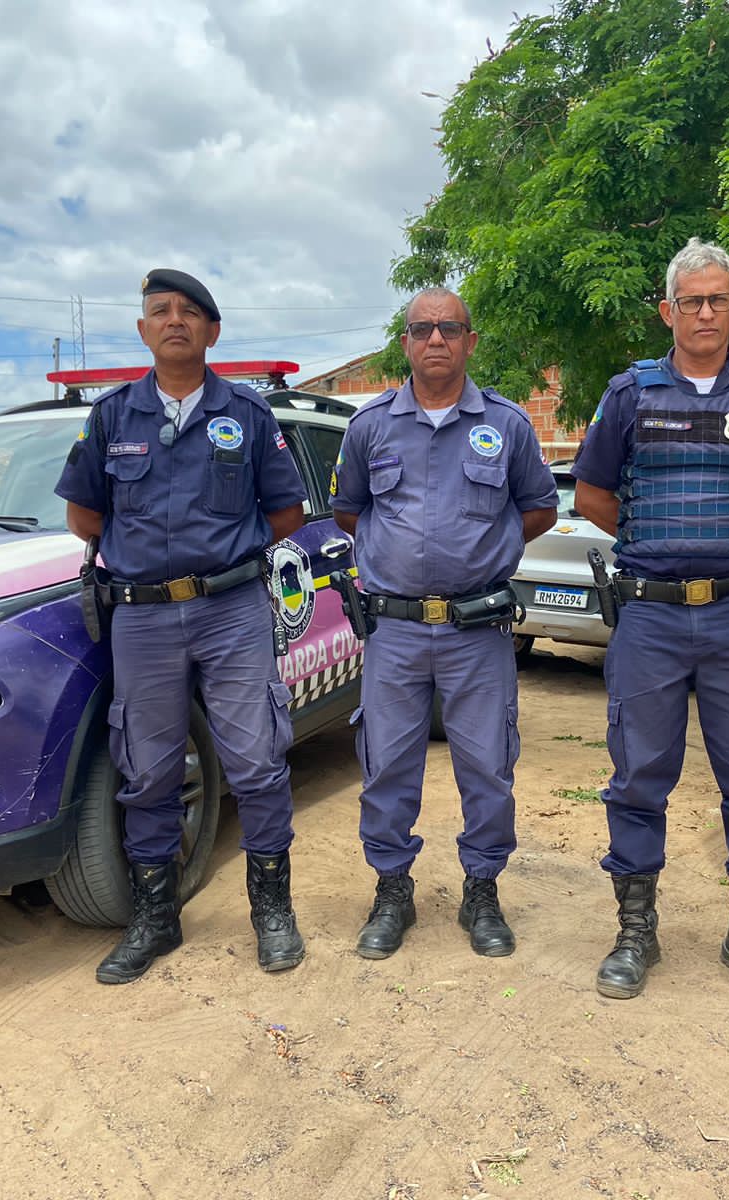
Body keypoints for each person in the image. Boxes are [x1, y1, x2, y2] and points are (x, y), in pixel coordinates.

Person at [571, 238, 729, 1004]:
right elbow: (592, 495)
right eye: (691, 301)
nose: (705, 312)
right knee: (639, 775)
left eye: (717, 299)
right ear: (668, 311)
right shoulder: (630, 395)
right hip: (649, 616)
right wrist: (658, 543)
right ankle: (635, 931)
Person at [56, 268, 309, 984]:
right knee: (149, 770)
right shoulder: (112, 417)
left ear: (212, 331)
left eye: (190, 312)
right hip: (142, 618)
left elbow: (286, 512)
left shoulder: (248, 414)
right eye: (161, 311)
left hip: (231, 610)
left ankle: (272, 911)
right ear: (143, 330)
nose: (175, 320)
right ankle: (155, 916)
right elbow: (84, 515)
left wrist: (225, 555)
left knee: (257, 760)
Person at [330, 287, 557, 959]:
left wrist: (487, 551)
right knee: (386, 764)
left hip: (477, 630)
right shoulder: (370, 425)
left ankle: (481, 890)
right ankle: (391, 889)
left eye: (449, 328)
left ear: (469, 341)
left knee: (487, 765)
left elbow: (539, 508)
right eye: (423, 329)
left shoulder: (508, 425)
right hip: (395, 629)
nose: (436, 339)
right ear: (405, 342)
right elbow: (350, 510)